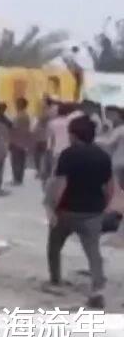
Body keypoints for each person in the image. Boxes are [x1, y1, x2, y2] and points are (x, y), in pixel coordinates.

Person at [45, 115, 111, 309]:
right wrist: (103, 207)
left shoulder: (68, 155)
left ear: (74, 135)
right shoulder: (103, 156)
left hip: (67, 210)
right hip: (93, 211)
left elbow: (61, 184)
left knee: (54, 246)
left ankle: (55, 279)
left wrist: (52, 208)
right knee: (93, 251)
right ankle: (97, 288)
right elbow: (108, 187)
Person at [46, 102, 83, 178]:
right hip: (68, 149)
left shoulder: (52, 123)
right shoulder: (70, 123)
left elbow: (51, 138)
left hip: (56, 149)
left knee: (56, 170)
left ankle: (54, 182)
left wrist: (49, 149)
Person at [96, 105, 124, 188]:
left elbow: (108, 142)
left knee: (117, 187)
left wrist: (94, 139)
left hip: (118, 162)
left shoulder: (120, 129)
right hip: (119, 162)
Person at [9, 97, 34, 185]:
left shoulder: (19, 116)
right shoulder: (26, 115)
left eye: (17, 103)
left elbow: (14, 129)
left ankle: (16, 179)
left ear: (21, 105)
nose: (16, 105)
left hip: (17, 140)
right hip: (23, 141)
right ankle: (19, 179)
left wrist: (10, 139)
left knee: (16, 161)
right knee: (21, 161)